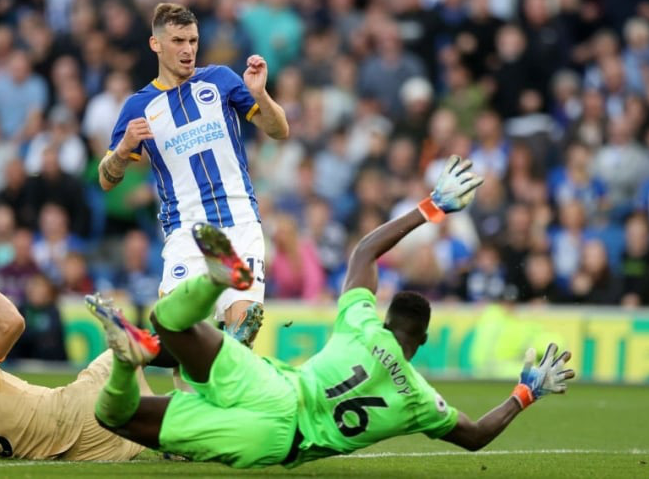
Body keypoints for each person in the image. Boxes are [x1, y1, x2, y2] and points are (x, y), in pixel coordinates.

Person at [87, 156, 575, 468]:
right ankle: (131, 362)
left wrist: (430, 207)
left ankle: (213, 283)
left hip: (272, 384)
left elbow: (364, 252)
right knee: (117, 419)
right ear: (420, 343)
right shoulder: (420, 399)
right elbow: (475, 437)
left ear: (385, 320)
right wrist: (524, 392)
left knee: (169, 324)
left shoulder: (362, 326)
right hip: (277, 438)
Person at [98, 2, 288, 346]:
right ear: (156, 44)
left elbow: (279, 130)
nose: (188, 50)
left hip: (240, 222)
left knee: (244, 325)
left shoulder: (221, 80)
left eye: (193, 41)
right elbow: (106, 179)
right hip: (186, 232)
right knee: (183, 341)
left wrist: (260, 94)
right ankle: (181, 382)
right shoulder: (139, 107)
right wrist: (124, 149)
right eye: (178, 41)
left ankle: (221, 376)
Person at [0, 266, 159, 460]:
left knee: (145, 409)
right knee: (143, 344)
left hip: (75, 449)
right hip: (75, 416)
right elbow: (12, 323)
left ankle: (174, 434)